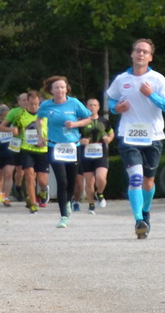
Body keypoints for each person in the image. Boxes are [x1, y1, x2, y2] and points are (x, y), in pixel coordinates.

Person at [107, 38, 165, 239]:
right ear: (132, 54)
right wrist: (116, 108)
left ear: (150, 57)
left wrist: (151, 95)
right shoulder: (121, 79)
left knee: (148, 182)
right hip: (128, 135)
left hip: (153, 136)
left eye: (145, 52)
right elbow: (111, 100)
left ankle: (145, 213)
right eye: (137, 50)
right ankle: (138, 219)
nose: (140, 54)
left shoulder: (158, 80)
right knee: (136, 178)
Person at [37, 78, 93, 228]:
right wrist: (40, 136)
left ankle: (68, 201)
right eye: (57, 88)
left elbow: (89, 119)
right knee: (61, 181)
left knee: (71, 181)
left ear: (67, 89)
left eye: (62, 87)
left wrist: (75, 124)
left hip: (73, 147)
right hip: (54, 147)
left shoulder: (74, 103)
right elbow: (39, 119)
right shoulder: (46, 105)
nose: (60, 90)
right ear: (51, 90)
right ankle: (63, 216)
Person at [5, 91, 47, 211]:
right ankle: (33, 203)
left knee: (43, 180)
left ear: (39, 102)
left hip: (42, 149)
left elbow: (55, 130)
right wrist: (14, 130)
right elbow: (6, 127)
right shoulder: (20, 115)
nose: (33, 106)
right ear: (26, 102)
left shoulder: (46, 114)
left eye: (36, 104)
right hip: (26, 148)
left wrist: (46, 139)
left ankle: (43, 190)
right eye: (31, 103)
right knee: (28, 175)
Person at [75, 97, 112, 213]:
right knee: (89, 180)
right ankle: (91, 204)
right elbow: (75, 136)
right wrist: (81, 141)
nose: (92, 107)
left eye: (95, 105)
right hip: (86, 154)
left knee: (101, 177)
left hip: (101, 152)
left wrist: (108, 139)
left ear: (99, 107)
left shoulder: (104, 121)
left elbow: (111, 133)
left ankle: (100, 193)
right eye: (90, 105)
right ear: (86, 107)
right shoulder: (82, 122)